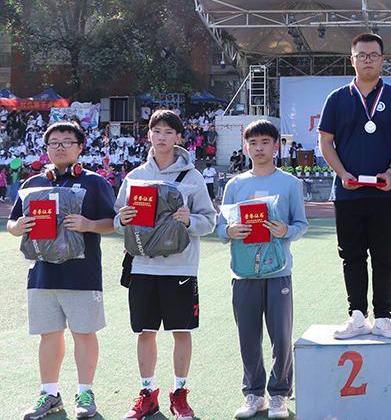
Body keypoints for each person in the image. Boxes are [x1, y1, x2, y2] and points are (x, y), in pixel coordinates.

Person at [8, 122, 116, 420]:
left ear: (80, 147)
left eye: (67, 141)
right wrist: (17, 227)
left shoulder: (95, 182)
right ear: (46, 148)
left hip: (82, 274)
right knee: (48, 336)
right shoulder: (33, 183)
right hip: (42, 275)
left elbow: (113, 222)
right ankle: (50, 393)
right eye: (54, 142)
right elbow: (13, 222)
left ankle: (85, 392)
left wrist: (88, 225)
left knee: (84, 334)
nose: (60, 147)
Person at [114, 110, 216, 420]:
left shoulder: (193, 177)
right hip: (143, 266)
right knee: (145, 332)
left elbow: (209, 221)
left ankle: (179, 393)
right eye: (156, 131)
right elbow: (118, 219)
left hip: (180, 268)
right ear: (148, 135)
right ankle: (147, 394)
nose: (162, 137)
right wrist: (122, 219)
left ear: (178, 137)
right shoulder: (135, 176)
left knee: (181, 331)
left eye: (168, 132)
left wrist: (190, 220)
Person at [319, 33, 391, 339]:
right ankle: (357, 316)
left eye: (373, 55)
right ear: (352, 60)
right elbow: (325, 142)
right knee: (352, 256)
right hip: (347, 193)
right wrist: (343, 174)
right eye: (362, 55)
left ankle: (383, 317)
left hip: (386, 191)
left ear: (383, 60)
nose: (368, 60)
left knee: (385, 256)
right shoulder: (336, 98)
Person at [217, 120, 308, 419]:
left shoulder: (290, 183)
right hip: (243, 272)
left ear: (276, 146)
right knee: (248, 335)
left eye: (265, 142)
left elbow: (301, 224)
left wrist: (285, 231)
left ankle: (279, 393)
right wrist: (230, 231)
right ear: (245, 147)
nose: (259, 148)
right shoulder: (235, 185)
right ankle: (254, 394)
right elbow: (221, 227)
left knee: (281, 335)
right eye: (253, 143)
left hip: (278, 271)